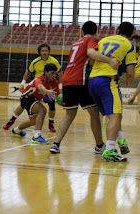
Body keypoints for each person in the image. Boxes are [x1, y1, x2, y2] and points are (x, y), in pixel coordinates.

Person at [49, 21, 120, 154]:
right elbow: (91, 55)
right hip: (80, 80)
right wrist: (109, 61)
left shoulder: (75, 43)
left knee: (69, 115)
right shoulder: (93, 39)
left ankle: (55, 144)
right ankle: (99, 145)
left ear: (82, 31)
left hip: (67, 80)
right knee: (94, 113)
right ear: (96, 31)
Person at [88, 22, 136, 162]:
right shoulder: (129, 45)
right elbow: (130, 71)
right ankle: (109, 150)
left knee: (112, 116)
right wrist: (128, 81)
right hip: (107, 82)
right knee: (115, 116)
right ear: (132, 33)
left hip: (93, 81)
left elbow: (91, 62)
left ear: (117, 30)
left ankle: (120, 141)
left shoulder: (103, 40)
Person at [3, 43, 62, 132]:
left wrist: (60, 88)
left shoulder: (54, 62)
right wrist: (22, 83)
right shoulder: (35, 62)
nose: (45, 52)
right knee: (25, 106)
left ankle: (51, 124)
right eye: (43, 51)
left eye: (46, 51)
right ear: (40, 52)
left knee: (51, 105)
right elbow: (28, 73)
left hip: (48, 86)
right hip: (37, 87)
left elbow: (60, 74)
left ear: (49, 51)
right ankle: (12, 121)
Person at [10, 63, 60, 144]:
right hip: (26, 98)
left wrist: (63, 100)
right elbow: (40, 87)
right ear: (46, 72)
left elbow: (58, 94)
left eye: (55, 73)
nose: (54, 75)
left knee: (33, 122)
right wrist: (47, 91)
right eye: (52, 73)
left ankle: (16, 130)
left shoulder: (54, 81)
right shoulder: (39, 79)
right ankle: (37, 136)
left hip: (34, 99)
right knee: (42, 110)